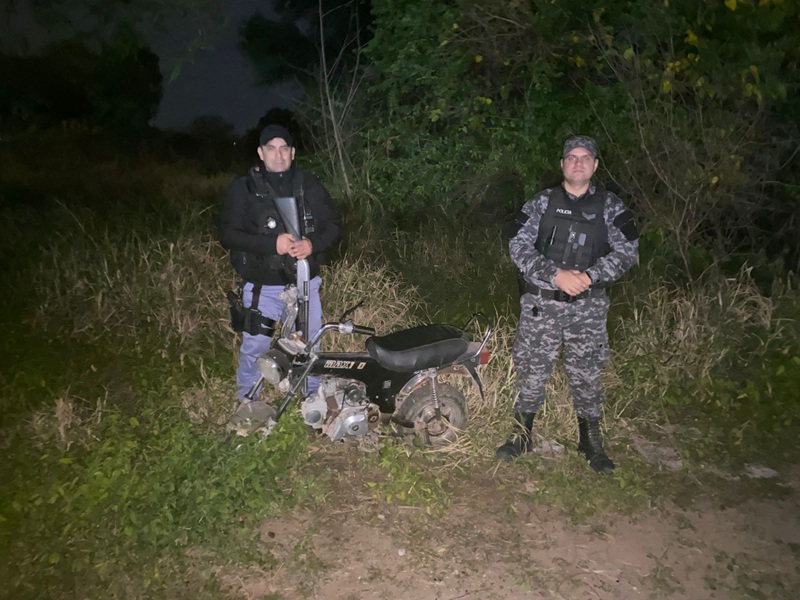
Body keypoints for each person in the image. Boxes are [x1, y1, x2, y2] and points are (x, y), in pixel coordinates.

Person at [496, 135, 639, 472]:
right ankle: (522, 434)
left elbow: (627, 251)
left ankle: (590, 440)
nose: (578, 162)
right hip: (541, 304)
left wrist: (588, 278)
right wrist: (555, 275)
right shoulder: (541, 203)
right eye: (571, 157)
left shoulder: (611, 206)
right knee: (531, 370)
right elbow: (517, 246)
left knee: (587, 373)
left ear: (595, 165)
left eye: (585, 157)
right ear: (562, 164)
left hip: (587, 307)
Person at [219, 124, 342, 402]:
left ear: (292, 152)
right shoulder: (244, 188)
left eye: (284, 148)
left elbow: (333, 225)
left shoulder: (308, 184)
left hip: (305, 282)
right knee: (256, 344)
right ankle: (248, 401)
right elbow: (227, 234)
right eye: (271, 149)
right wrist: (271, 244)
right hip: (263, 285)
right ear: (261, 153)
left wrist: (312, 244)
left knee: (309, 344)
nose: (278, 155)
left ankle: (312, 398)